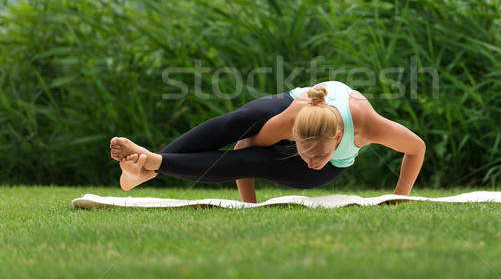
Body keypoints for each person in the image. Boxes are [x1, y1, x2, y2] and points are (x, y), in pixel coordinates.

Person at [110, 80, 426, 203]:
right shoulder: (290, 119)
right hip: (287, 107)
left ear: (339, 137)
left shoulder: (366, 125)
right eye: (305, 151)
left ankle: (152, 164)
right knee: (241, 122)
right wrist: (249, 202)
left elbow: (416, 148)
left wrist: (399, 198)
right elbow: (245, 144)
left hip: (327, 163)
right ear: (294, 137)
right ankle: (149, 168)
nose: (311, 159)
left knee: (258, 162)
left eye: (319, 152)